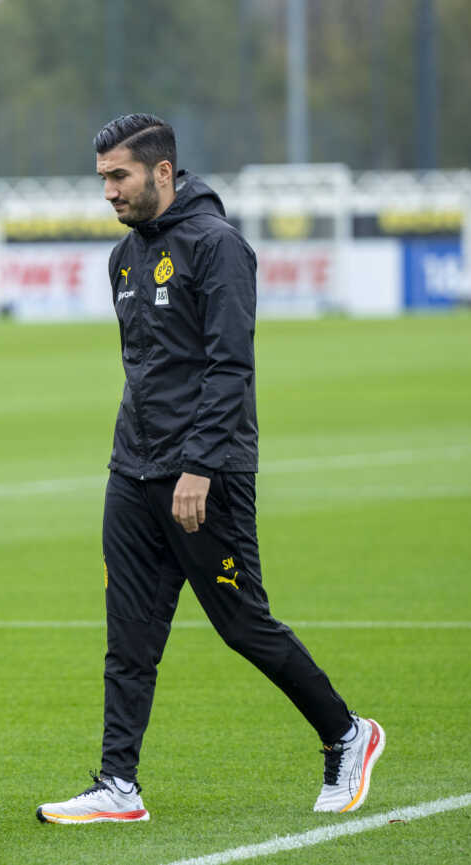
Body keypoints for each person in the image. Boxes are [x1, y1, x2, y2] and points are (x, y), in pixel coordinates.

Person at [35, 114, 383, 824]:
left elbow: (230, 366)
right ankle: (117, 785)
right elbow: (145, 371)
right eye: (102, 178)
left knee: (242, 622)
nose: (107, 191)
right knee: (128, 633)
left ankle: (348, 734)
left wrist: (199, 464)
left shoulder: (219, 248)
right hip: (131, 469)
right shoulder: (123, 258)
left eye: (118, 176)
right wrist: (138, 458)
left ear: (163, 172)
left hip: (205, 473)